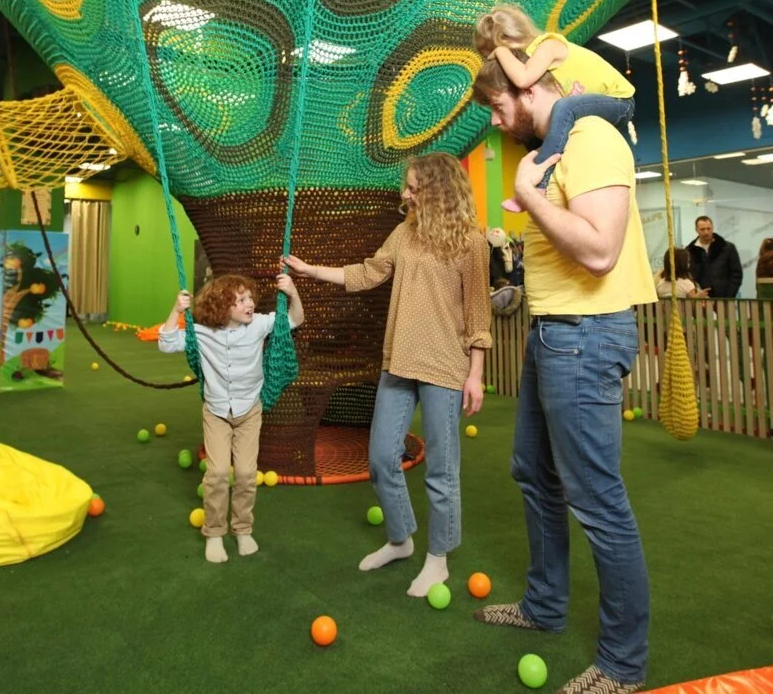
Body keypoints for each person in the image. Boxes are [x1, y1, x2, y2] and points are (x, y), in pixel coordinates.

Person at [470, 55, 656, 694]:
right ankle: (544, 606)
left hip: (587, 335)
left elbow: (601, 250)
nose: (497, 123)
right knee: (533, 471)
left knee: (597, 500)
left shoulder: (592, 139)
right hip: (552, 332)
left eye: (498, 108)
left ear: (526, 89)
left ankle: (622, 665)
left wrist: (528, 197)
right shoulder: (551, 148)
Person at [283, 153, 491, 598]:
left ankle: (438, 559)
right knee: (380, 458)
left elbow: (478, 314)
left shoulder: (471, 243)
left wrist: (475, 374)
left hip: (444, 368)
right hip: (398, 362)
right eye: (407, 186)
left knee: (442, 470)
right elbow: (367, 273)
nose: (405, 194)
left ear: (438, 190)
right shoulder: (403, 234)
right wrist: (311, 270)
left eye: (414, 187)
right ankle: (400, 539)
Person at [158, 272, 304, 563]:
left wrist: (292, 292)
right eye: (241, 300)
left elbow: (295, 319)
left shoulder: (259, 324)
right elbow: (166, 342)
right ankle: (214, 532)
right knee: (217, 473)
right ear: (223, 306)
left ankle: (242, 529)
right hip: (217, 413)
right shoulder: (202, 333)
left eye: (250, 298)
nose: (250, 304)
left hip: (249, 411)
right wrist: (176, 310)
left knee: (247, 474)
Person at [474, 4, 635, 213]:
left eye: (493, 57)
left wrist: (500, 52)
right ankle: (536, 182)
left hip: (621, 101)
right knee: (540, 131)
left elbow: (523, 79)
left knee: (564, 107)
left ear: (507, 41)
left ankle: (539, 186)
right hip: (600, 102)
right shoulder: (538, 64)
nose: (498, 63)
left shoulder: (548, 46)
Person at [686, 216, 743, 298]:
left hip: (724, 298)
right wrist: (695, 294)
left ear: (712, 228)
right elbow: (687, 275)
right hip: (699, 298)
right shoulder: (689, 251)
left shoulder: (727, 248)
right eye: (702, 229)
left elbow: (736, 274)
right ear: (696, 230)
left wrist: (729, 295)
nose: (706, 232)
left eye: (708, 229)